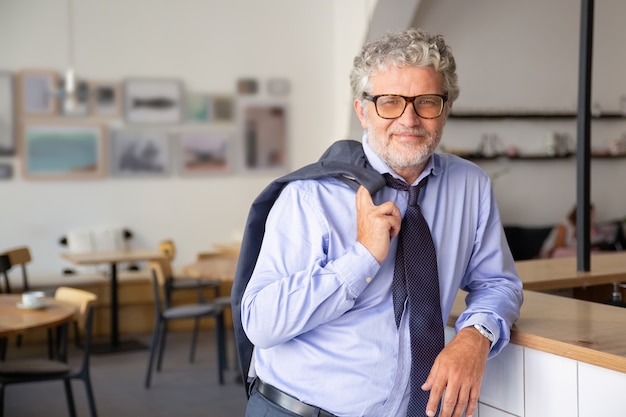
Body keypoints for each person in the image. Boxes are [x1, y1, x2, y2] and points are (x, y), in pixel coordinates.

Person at [239, 28, 523, 417]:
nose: (409, 119)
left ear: (447, 107)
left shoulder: (469, 185)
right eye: (389, 102)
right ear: (362, 109)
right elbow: (261, 323)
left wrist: (476, 336)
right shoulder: (311, 196)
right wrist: (361, 258)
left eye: (426, 101)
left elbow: (497, 282)